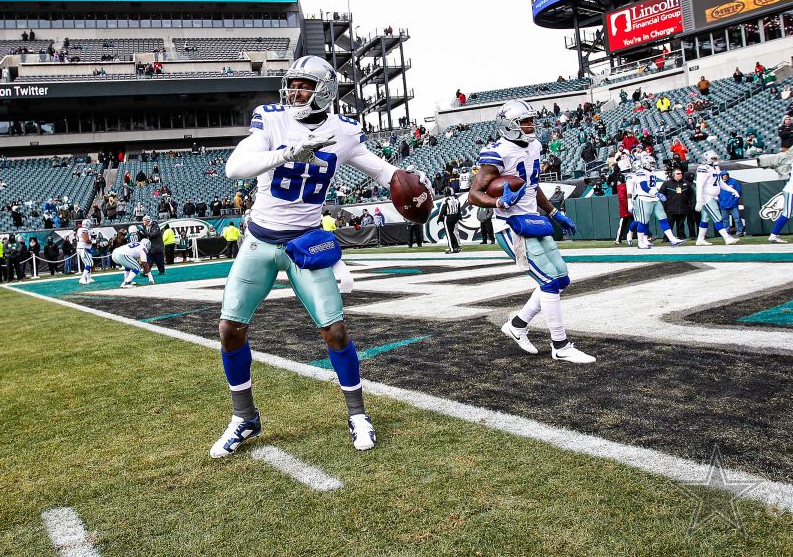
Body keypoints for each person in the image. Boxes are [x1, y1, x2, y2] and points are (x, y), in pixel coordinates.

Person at [208, 55, 433, 458]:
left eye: (305, 86)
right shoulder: (271, 119)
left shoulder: (343, 131)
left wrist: (410, 180)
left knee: (335, 331)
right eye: (292, 84)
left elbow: (381, 172)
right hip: (260, 240)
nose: (295, 92)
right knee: (229, 328)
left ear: (325, 90)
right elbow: (235, 167)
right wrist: (289, 153)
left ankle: (358, 415)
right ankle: (244, 417)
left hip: (306, 241)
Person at [467, 99, 592, 363]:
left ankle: (517, 325)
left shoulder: (534, 145)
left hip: (533, 219)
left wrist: (556, 213)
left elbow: (533, 188)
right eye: (525, 121)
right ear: (510, 126)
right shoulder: (496, 153)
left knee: (560, 280)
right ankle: (561, 345)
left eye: (531, 120)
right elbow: (474, 195)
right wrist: (499, 202)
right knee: (547, 282)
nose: (530, 125)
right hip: (511, 225)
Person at [631, 154, 686, 248]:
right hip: (644, 198)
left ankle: (672, 239)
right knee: (643, 221)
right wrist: (656, 193)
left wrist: (657, 193)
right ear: (645, 163)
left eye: (653, 163)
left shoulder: (651, 173)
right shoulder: (641, 172)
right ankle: (640, 242)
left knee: (663, 218)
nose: (653, 165)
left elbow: (652, 186)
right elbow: (644, 187)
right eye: (651, 163)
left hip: (654, 198)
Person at [693, 151, 741, 246]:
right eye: (713, 158)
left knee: (705, 219)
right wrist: (699, 200)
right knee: (718, 218)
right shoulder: (703, 168)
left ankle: (700, 239)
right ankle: (727, 238)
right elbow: (699, 185)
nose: (715, 160)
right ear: (707, 159)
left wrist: (732, 190)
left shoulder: (714, 168)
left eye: (715, 158)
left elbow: (720, 183)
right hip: (706, 197)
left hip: (713, 197)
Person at [659, 167, 694, 242]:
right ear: (673, 175)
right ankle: (666, 238)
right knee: (669, 224)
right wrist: (663, 205)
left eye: (681, 173)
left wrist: (692, 203)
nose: (680, 175)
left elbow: (691, 194)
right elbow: (661, 194)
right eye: (678, 174)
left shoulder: (686, 183)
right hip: (670, 208)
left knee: (681, 224)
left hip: (682, 208)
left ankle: (681, 236)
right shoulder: (667, 183)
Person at [716, 170, 745, 237]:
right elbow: (716, 193)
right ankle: (726, 232)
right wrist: (719, 202)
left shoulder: (733, 182)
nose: (725, 176)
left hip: (733, 204)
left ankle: (740, 231)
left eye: (726, 175)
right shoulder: (718, 183)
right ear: (721, 176)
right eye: (724, 175)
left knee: (737, 218)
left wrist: (734, 201)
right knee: (725, 219)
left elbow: (738, 192)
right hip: (723, 204)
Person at [440, 187, 462, 254]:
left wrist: (439, 218)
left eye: (444, 192)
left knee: (449, 234)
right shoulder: (456, 199)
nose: (443, 193)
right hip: (454, 217)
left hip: (448, 217)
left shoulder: (446, 199)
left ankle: (451, 249)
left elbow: (442, 209)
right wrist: (458, 217)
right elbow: (458, 209)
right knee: (452, 233)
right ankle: (456, 246)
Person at [75, 219, 95, 284]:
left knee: (87, 263)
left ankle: (89, 278)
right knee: (90, 263)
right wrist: (93, 241)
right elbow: (86, 240)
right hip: (83, 248)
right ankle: (82, 278)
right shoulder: (84, 230)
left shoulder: (80, 229)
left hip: (82, 248)